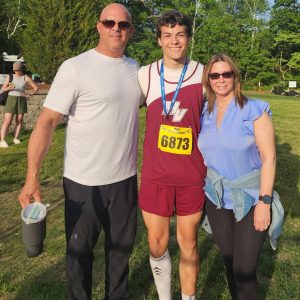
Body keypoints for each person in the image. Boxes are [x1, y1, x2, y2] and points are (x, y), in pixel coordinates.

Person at [18, 3, 141, 299]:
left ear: (131, 31)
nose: (116, 28)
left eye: (123, 25)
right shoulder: (75, 67)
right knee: (79, 255)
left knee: (120, 255)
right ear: (98, 26)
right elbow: (47, 122)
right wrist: (32, 177)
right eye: (109, 22)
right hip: (82, 182)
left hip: (124, 180)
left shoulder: (137, 70)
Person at [198, 53, 284, 300]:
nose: (221, 79)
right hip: (217, 197)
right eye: (215, 75)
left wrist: (264, 203)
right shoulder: (204, 112)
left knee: (244, 269)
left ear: (235, 76)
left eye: (227, 73)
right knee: (229, 261)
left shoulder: (254, 109)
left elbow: (269, 159)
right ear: (208, 79)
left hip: (250, 197)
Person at [138, 10, 206, 300]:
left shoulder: (203, 73)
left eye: (180, 35)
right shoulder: (145, 74)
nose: (174, 41)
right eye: (168, 35)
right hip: (156, 177)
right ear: (159, 40)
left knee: (188, 241)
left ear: (188, 39)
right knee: (156, 243)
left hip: (191, 175)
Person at [0, 61, 38, 147]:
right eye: (15, 70)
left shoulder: (26, 78)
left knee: (19, 120)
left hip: (21, 99)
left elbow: (36, 88)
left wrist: (28, 94)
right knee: (7, 120)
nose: (16, 71)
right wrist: (8, 87)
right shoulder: (10, 76)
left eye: (17, 70)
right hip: (11, 99)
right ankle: (2, 141)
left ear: (21, 69)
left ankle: (15, 138)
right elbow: (2, 89)